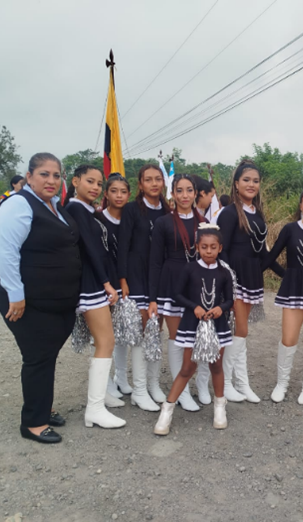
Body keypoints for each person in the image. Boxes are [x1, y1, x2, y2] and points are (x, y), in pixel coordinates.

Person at [0, 152, 82, 444]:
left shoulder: (55, 206)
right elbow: (6, 251)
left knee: (47, 355)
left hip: (55, 300)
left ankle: (44, 406)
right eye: (44, 174)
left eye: (56, 175)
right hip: (26, 301)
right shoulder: (18, 204)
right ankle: (33, 422)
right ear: (29, 177)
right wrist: (15, 295)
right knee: (37, 356)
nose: (51, 180)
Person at [154, 223, 234, 435]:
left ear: (220, 248)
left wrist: (220, 308)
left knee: (217, 366)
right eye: (204, 247)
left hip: (217, 326)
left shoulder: (224, 272)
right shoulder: (189, 268)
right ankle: (167, 410)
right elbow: (177, 294)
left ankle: (219, 407)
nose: (209, 251)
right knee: (187, 368)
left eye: (213, 247)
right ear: (197, 247)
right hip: (192, 324)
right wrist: (194, 307)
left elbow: (230, 300)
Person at [215, 160, 284, 403]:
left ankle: (242, 383)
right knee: (239, 330)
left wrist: (286, 274)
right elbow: (221, 250)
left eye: (255, 181)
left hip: (252, 276)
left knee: (240, 333)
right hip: (235, 277)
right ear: (236, 183)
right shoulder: (229, 212)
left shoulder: (257, 213)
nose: (251, 184)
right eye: (246, 180)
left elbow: (262, 252)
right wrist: (228, 282)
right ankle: (225, 383)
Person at [64, 165, 126, 429]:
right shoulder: (76, 208)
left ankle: (102, 395)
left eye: (99, 184)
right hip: (91, 283)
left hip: (98, 282)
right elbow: (91, 249)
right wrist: (106, 283)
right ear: (75, 181)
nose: (95, 188)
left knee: (101, 340)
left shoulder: (88, 210)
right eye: (90, 181)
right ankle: (95, 408)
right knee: (106, 341)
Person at [262, 187, 303, 404]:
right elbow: (271, 257)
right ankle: (282, 383)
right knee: (288, 339)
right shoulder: (290, 229)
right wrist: (287, 276)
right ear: (300, 206)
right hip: (293, 290)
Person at [148, 174, 206, 412]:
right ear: (172, 193)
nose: (184, 195)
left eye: (189, 190)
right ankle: (180, 391)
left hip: (196, 283)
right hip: (171, 282)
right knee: (177, 337)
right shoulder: (163, 222)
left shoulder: (204, 222)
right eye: (179, 190)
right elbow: (155, 262)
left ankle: (194, 385)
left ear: (196, 193)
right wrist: (153, 298)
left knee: (193, 337)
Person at [117, 164, 170, 411]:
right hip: (137, 276)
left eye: (158, 179)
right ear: (140, 184)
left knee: (155, 332)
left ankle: (153, 384)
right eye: (148, 179)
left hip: (159, 277)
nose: (154, 183)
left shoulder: (168, 211)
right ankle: (139, 391)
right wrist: (123, 279)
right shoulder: (131, 210)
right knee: (140, 333)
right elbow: (123, 245)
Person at [101, 174, 135, 401]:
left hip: (125, 281)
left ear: (129, 194)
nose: (119, 196)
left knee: (121, 332)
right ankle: (104, 384)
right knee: (104, 334)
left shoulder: (131, 218)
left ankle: (121, 377)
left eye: (123, 192)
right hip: (105, 282)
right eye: (114, 191)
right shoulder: (98, 219)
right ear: (106, 194)